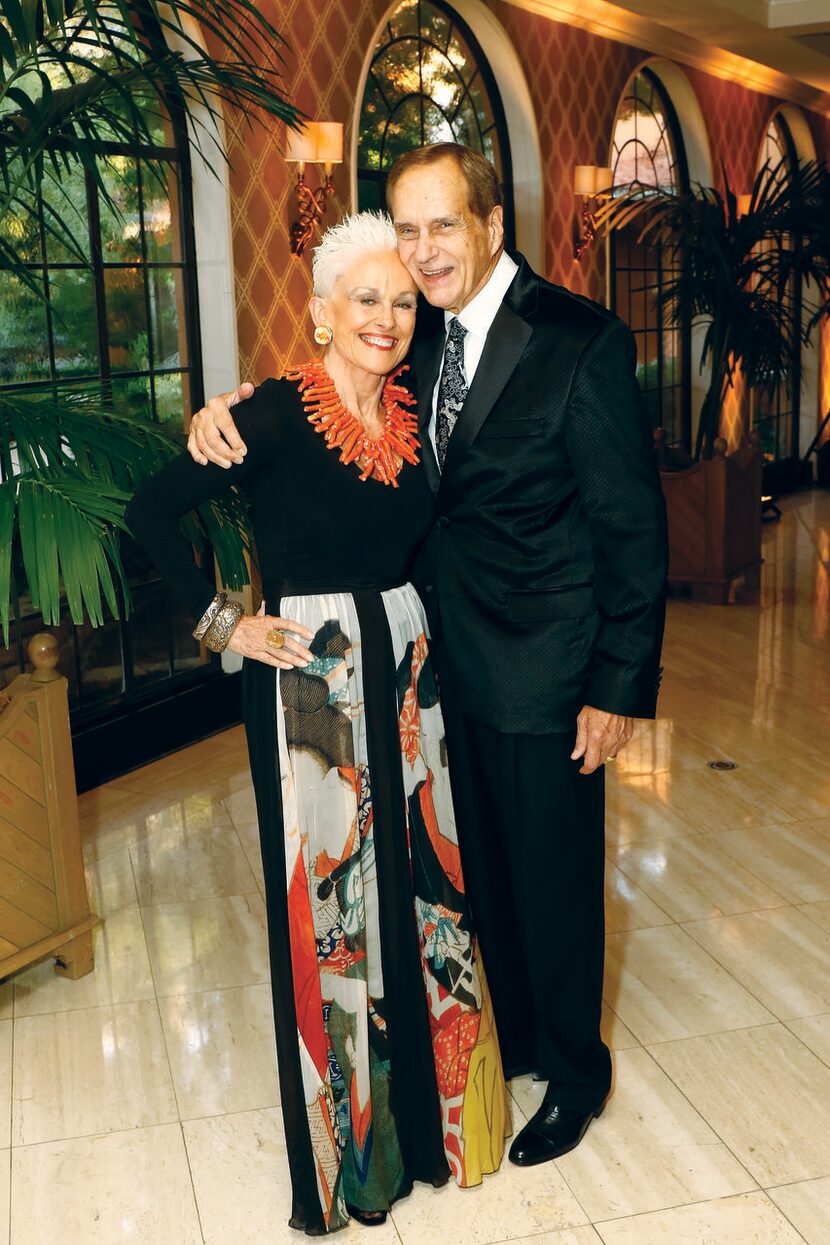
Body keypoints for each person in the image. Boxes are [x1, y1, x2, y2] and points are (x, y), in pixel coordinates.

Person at [187, 143, 669, 1168]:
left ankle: (574, 1074)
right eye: (406, 228)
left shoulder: (577, 341)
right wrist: (216, 417)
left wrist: (616, 686)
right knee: (481, 880)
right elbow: (330, 418)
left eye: (441, 225)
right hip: (433, 675)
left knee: (555, 878)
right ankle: (522, 1039)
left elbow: (630, 526)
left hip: (546, 670)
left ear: (492, 224)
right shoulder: (411, 341)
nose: (422, 251)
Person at [126, 211, 509, 1236]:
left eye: (398, 301)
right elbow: (149, 515)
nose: (385, 317)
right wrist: (222, 624)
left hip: (408, 665)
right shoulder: (270, 417)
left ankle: (436, 1129)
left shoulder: (417, 416)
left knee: (423, 895)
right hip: (307, 681)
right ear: (320, 313)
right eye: (363, 300)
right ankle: (352, 1161)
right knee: (331, 909)